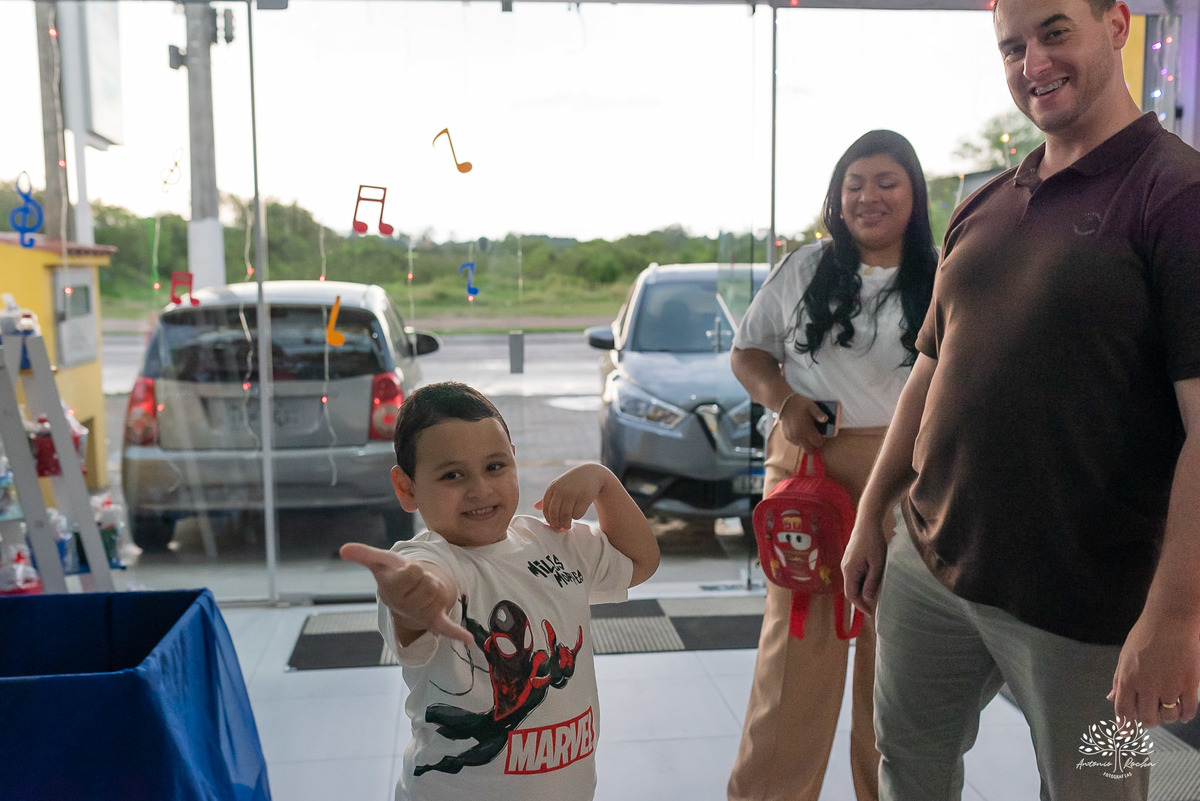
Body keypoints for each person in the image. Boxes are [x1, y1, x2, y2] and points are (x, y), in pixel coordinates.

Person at [841, 0, 1200, 798]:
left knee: (1102, 788)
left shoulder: (1177, 195)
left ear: (1117, 26)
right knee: (907, 762)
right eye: (1012, 46)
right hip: (928, 567)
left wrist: (1176, 614)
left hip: (1091, 610)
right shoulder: (982, 202)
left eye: (1055, 32)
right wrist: (873, 513)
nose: (1032, 62)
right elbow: (929, 374)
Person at [727, 129, 938, 801]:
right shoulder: (803, 269)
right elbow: (749, 353)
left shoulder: (945, 272)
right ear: (836, 198)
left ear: (914, 195)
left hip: (910, 475)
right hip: (810, 474)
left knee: (897, 663)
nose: (868, 196)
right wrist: (783, 400)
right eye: (854, 185)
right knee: (795, 657)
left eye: (886, 182)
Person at [340, 381, 659, 801]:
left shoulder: (556, 541)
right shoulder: (426, 561)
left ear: (514, 460)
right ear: (407, 488)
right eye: (452, 475)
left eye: (495, 467)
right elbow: (429, 585)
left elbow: (641, 562)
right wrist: (418, 598)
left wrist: (603, 483)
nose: (480, 490)